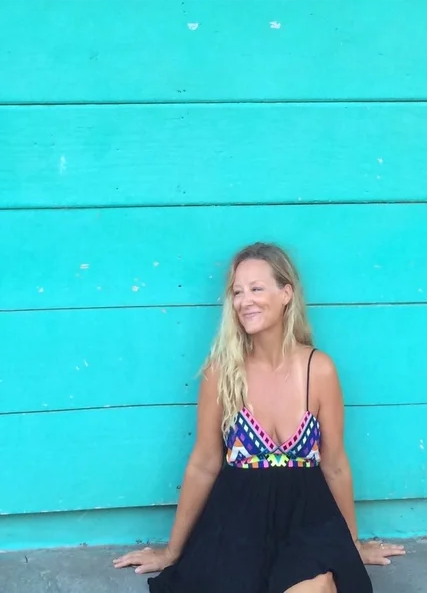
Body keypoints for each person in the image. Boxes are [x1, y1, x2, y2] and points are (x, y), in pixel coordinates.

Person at [113, 242, 405, 592]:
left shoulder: (319, 369)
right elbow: (205, 463)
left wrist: (351, 545)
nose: (244, 300)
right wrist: (173, 551)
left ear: (286, 294)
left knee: (318, 586)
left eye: (256, 289)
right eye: (237, 292)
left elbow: (336, 465)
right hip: (237, 521)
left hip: (307, 518)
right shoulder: (221, 372)